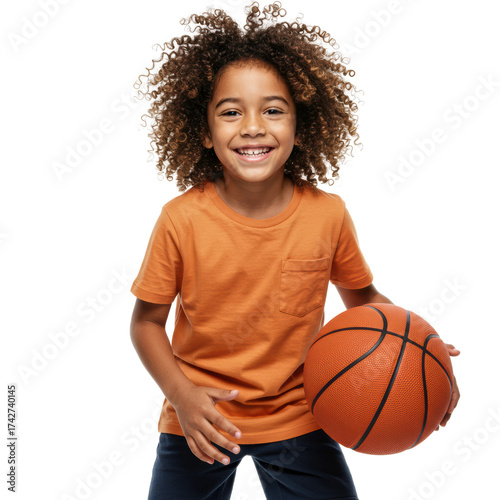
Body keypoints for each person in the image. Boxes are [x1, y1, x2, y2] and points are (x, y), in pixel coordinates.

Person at [129, 2, 461, 499]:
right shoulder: (181, 219)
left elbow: (365, 301)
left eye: (273, 110)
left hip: (301, 413)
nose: (253, 126)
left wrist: (425, 351)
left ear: (300, 126)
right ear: (203, 131)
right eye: (230, 111)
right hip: (200, 420)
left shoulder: (327, 214)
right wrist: (183, 396)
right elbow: (146, 323)